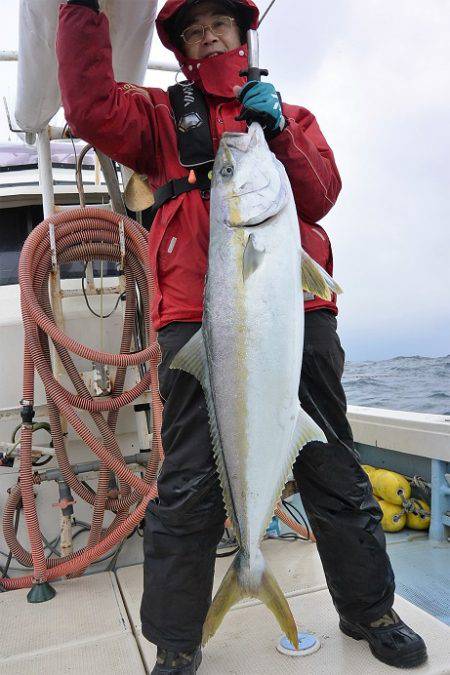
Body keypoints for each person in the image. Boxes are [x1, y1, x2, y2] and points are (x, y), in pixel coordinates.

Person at [56, 1, 427, 672]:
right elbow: (86, 108)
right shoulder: (160, 118)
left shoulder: (286, 115)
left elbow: (320, 193)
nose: (207, 35)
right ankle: (177, 638)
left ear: (241, 31)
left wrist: (279, 128)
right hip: (192, 322)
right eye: (193, 29)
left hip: (295, 314)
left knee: (332, 465)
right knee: (188, 480)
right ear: (182, 45)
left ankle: (370, 607)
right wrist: (81, 10)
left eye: (217, 24)